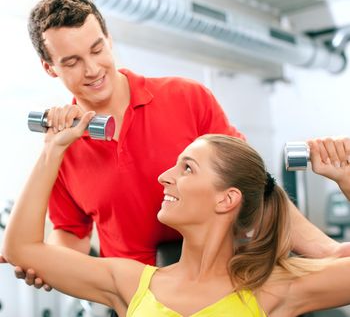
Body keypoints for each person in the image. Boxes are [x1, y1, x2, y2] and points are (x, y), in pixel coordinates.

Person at [4, 0, 350, 296]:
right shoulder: (60, 150)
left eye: (97, 49)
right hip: (133, 295)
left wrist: (323, 249)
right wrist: (47, 264)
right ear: (50, 68)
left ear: (109, 39)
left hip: (220, 287)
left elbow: (255, 186)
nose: (92, 69)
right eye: (73, 62)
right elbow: (71, 234)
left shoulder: (187, 98)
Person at [3, 120, 350, 316]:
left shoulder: (273, 288)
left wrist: (346, 179)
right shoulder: (130, 281)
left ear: (226, 199)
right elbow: (21, 248)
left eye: (186, 167)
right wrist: (53, 148)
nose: (164, 177)